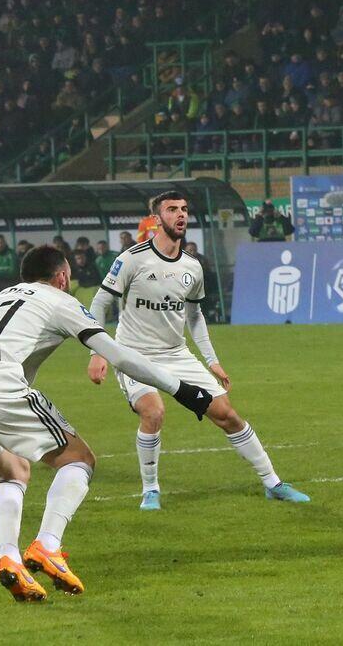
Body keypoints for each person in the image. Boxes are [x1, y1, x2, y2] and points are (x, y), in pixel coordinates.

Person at [0, 245, 213, 602]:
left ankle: (9, 558)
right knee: (79, 459)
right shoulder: (60, 300)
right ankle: (48, 544)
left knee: (13, 471)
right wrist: (182, 389)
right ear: (62, 277)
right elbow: (118, 355)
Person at [87, 191, 309, 509]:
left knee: (227, 415)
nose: (181, 214)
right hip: (134, 354)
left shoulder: (192, 266)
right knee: (153, 412)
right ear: (156, 218)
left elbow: (194, 316)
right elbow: (100, 302)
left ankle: (273, 483)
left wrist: (212, 360)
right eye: (172, 209)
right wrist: (97, 351)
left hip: (176, 354)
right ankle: (151, 490)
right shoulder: (132, 259)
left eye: (184, 209)